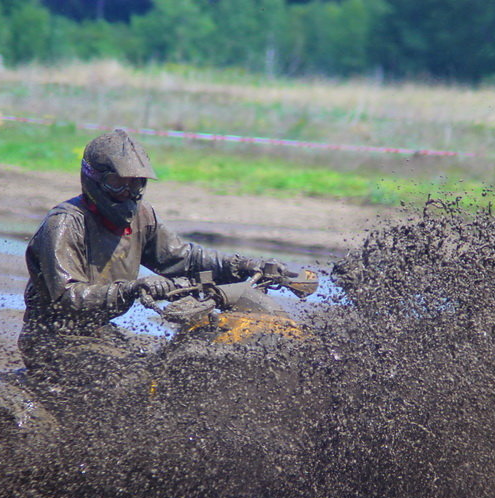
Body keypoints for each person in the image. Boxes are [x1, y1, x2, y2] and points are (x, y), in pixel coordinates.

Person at [19, 129, 291, 378]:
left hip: (99, 332)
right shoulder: (66, 223)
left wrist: (241, 265)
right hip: (54, 339)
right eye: (118, 183)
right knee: (136, 381)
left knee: (173, 366)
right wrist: (130, 290)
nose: (129, 193)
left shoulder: (142, 216)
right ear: (94, 180)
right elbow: (67, 295)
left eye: (137, 184)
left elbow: (183, 258)